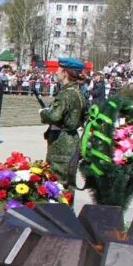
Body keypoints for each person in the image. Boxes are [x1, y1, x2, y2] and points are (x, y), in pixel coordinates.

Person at [40, 57, 88, 192]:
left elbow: (54, 116)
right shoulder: (79, 93)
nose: (56, 72)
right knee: (68, 184)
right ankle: (67, 212)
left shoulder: (66, 93)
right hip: (72, 140)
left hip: (61, 142)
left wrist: (43, 113)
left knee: (57, 184)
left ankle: (58, 212)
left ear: (65, 73)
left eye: (58, 69)